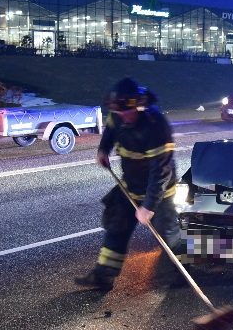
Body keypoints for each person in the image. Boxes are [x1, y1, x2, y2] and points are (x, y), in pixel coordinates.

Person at [76, 77, 182, 289]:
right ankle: (103, 276)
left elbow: (160, 171)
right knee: (117, 228)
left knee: (169, 236)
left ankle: (182, 275)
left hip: (160, 193)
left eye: (128, 110)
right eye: (119, 111)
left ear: (139, 104)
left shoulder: (156, 125)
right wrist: (103, 150)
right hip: (131, 187)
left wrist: (149, 206)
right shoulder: (118, 116)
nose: (125, 115)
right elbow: (110, 133)